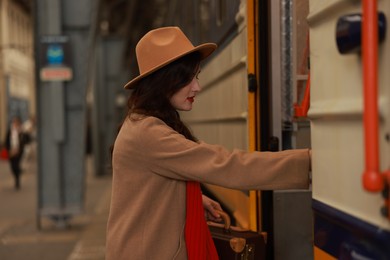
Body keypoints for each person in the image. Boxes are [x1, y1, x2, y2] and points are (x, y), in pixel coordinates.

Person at [106, 27, 311, 260]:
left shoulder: (142, 123)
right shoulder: (148, 133)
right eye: (187, 79)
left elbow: (146, 189)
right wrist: (307, 160)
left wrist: (191, 199)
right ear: (163, 82)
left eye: (197, 77)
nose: (197, 87)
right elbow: (227, 164)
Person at [5, 116, 29, 190]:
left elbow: (27, 140)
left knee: (16, 165)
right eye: (14, 122)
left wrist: (20, 148)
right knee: (12, 167)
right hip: (11, 151)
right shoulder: (10, 131)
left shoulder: (22, 131)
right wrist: (9, 149)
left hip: (19, 151)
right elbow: (6, 141)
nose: (15, 123)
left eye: (16, 122)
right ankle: (17, 175)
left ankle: (17, 181)